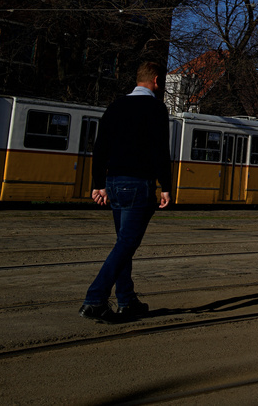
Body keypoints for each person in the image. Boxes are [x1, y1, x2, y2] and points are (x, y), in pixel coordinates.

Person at [79, 61, 173, 323]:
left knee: (123, 243)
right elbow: (160, 151)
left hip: (113, 183)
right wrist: (166, 187)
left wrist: (98, 184)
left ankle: (127, 300)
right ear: (155, 80)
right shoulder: (155, 108)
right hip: (138, 183)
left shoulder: (115, 106)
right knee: (127, 244)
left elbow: (100, 148)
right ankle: (95, 298)